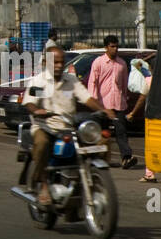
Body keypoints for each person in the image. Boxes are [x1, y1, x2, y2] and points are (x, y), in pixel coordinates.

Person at [23, 47, 110, 204]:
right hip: (45, 126)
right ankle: (43, 185)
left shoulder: (71, 80)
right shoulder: (39, 82)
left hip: (69, 127)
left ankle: (90, 180)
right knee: (41, 143)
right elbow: (29, 103)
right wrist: (37, 110)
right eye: (54, 62)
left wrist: (103, 110)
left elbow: (87, 98)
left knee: (101, 142)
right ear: (45, 62)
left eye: (61, 62)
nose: (58, 65)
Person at [87, 35, 137, 169]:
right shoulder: (98, 62)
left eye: (116, 46)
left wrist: (125, 98)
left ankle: (126, 158)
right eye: (112, 46)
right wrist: (95, 102)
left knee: (121, 131)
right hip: (103, 105)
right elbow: (93, 83)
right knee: (103, 133)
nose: (115, 49)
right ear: (106, 47)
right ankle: (100, 159)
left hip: (118, 103)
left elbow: (125, 83)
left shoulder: (122, 64)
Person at [128, 57, 157, 183]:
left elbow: (142, 99)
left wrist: (132, 113)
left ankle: (150, 173)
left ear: (151, 68)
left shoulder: (150, 80)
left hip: (152, 117)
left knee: (150, 145)